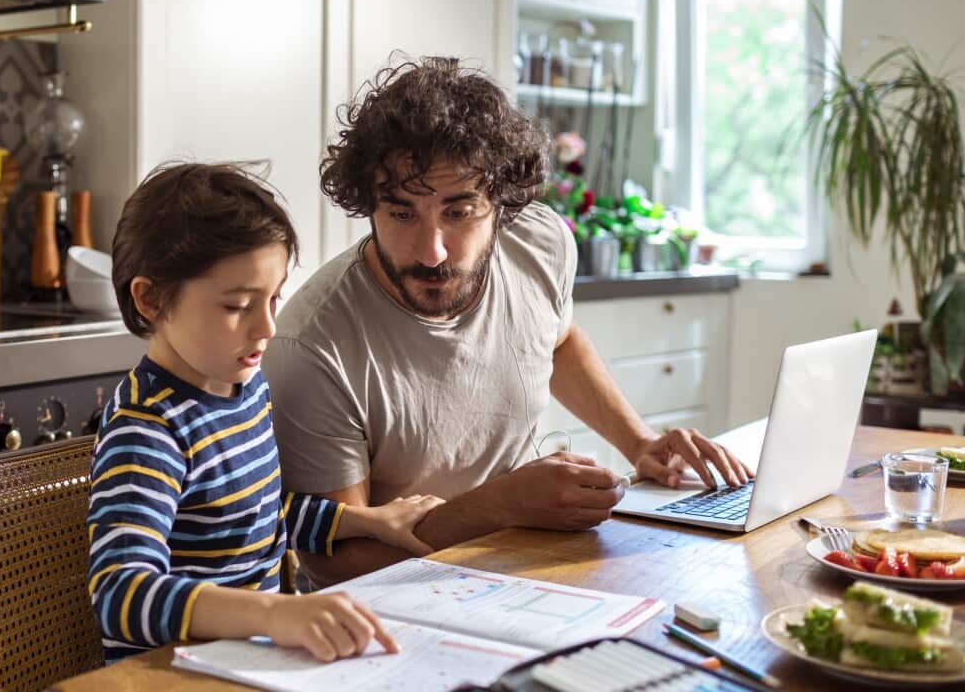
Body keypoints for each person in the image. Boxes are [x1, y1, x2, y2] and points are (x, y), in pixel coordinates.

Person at [263, 57, 753, 587]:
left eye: (459, 212)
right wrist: (500, 506)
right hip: (396, 599)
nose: (431, 252)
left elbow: (557, 340)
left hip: (524, 562)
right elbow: (335, 564)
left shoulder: (539, 240)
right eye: (402, 214)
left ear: (502, 203)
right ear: (367, 205)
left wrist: (639, 443)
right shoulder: (312, 347)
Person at [88, 161, 443, 664]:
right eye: (238, 306)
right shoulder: (148, 430)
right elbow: (120, 595)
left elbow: (255, 517)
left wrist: (364, 522)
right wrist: (274, 613)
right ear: (151, 300)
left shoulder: (246, 389)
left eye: (274, 299)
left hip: (249, 661)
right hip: (169, 674)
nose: (268, 327)